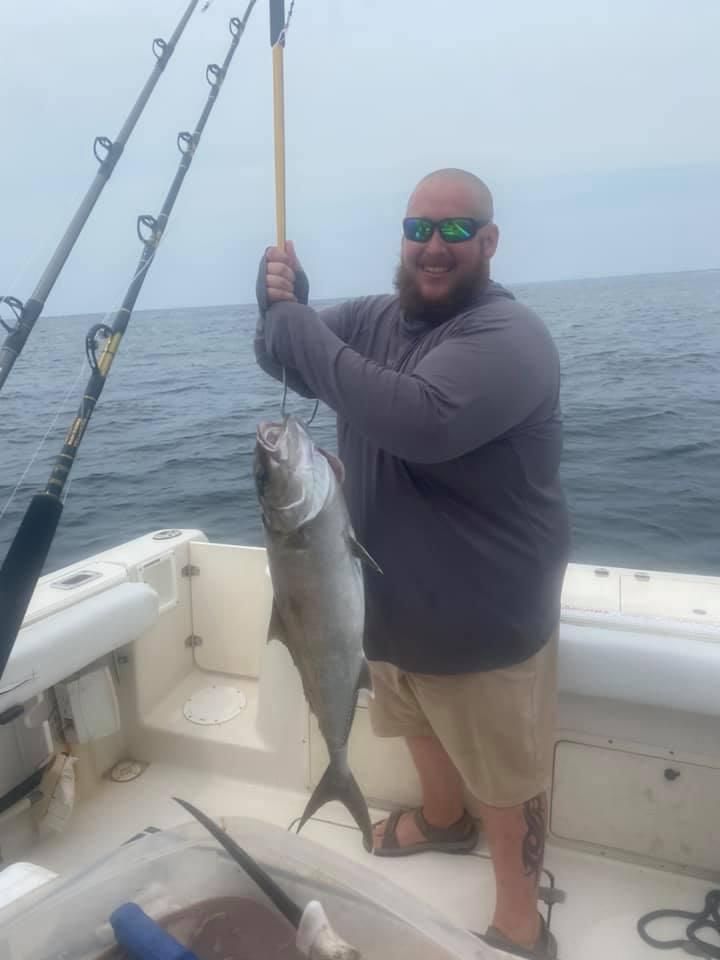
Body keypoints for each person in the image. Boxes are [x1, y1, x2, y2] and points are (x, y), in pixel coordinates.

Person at [254, 168, 570, 960]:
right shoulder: (374, 318)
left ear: (489, 242)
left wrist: (299, 331)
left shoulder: (509, 339)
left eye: (456, 230)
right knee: (412, 724)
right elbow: (286, 359)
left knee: (506, 778)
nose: (434, 246)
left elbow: (418, 420)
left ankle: (521, 926)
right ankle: (440, 820)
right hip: (382, 598)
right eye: (419, 228)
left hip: (484, 616)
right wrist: (276, 308)